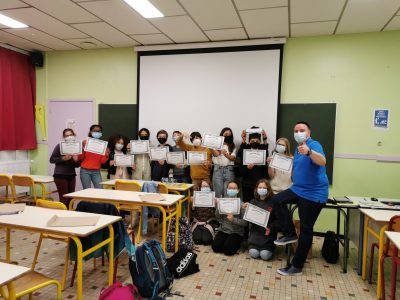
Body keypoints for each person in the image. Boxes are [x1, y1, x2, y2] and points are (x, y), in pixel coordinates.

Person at [273, 121, 328, 276]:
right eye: (296, 130)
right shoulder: (297, 149)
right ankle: (290, 234)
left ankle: (296, 266)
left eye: (302, 130)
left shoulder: (313, 145)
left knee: (306, 229)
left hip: (313, 194)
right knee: (277, 200)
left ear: (308, 133)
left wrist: (309, 152)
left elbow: (322, 161)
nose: (298, 132)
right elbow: (296, 170)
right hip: (298, 189)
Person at [243, 179, 279, 261]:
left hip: (268, 235)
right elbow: (248, 221)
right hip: (255, 235)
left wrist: (271, 227)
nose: (261, 189)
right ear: (256, 189)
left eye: (264, 187)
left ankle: (271, 248)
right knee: (254, 254)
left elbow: (278, 221)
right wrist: (246, 211)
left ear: (268, 189)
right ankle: (253, 246)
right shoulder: (252, 202)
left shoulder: (274, 203)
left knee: (264, 255)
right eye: (260, 187)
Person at [212, 181, 247, 256]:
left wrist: (233, 219)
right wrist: (218, 207)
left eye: (234, 188)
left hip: (236, 232)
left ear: (238, 190)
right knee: (215, 248)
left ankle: (239, 243)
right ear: (227, 189)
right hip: (224, 229)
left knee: (228, 251)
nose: (232, 190)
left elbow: (245, 223)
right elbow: (218, 217)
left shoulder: (242, 204)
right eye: (230, 188)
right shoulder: (223, 201)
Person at [49, 128, 80, 208]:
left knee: (71, 198)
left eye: (71, 135)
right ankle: (62, 216)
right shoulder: (60, 146)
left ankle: (70, 216)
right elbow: (52, 159)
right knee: (64, 199)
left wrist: (76, 160)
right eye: (67, 135)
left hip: (72, 175)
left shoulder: (77, 147)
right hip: (60, 175)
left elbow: (77, 165)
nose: (69, 137)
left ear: (74, 135)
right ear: (64, 137)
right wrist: (63, 158)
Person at [237, 127, 269, 202]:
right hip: (247, 184)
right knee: (247, 203)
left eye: (257, 140)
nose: (254, 141)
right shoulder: (245, 151)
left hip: (260, 184)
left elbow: (265, 148)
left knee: (260, 203)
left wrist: (265, 138)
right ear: (249, 141)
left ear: (260, 141)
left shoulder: (262, 151)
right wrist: (247, 168)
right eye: (252, 140)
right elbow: (239, 154)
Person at [78, 124, 109, 189]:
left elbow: (102, 162)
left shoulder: (102, 145)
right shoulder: (85, 142)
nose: (97, 132)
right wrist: (82, 148)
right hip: (85, 171)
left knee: (100, 189)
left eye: (99, 131)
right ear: (91, 132)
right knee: (86, 191)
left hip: (96, 171)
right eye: (95, 131)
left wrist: (107, 154)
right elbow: (80, 158)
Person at [212, 127, 236, 197]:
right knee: (218, 192)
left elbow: (233, 158)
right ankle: (218, 208)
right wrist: (219, 151)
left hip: (229, 170)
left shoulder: (232, 146)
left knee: (229, 192)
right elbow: (215, 154)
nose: (227, 136)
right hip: (217, 169)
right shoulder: (216, 144)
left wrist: (226, 154)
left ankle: (228, 207)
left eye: (229, 134)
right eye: (226, 134)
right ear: (222, 134)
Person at [191, 179, 216, 245]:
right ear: (200, 188)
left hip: (208, 223)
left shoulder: (213, 198)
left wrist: (215, 205)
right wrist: (192, 205)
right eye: (203, 187)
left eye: (207, 187)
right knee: (197, 240)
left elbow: (214, 216)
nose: (205, 188)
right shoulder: (196, 197)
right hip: (198, 224)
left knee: (206, 241)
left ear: (210, 188)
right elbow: (193, 214)